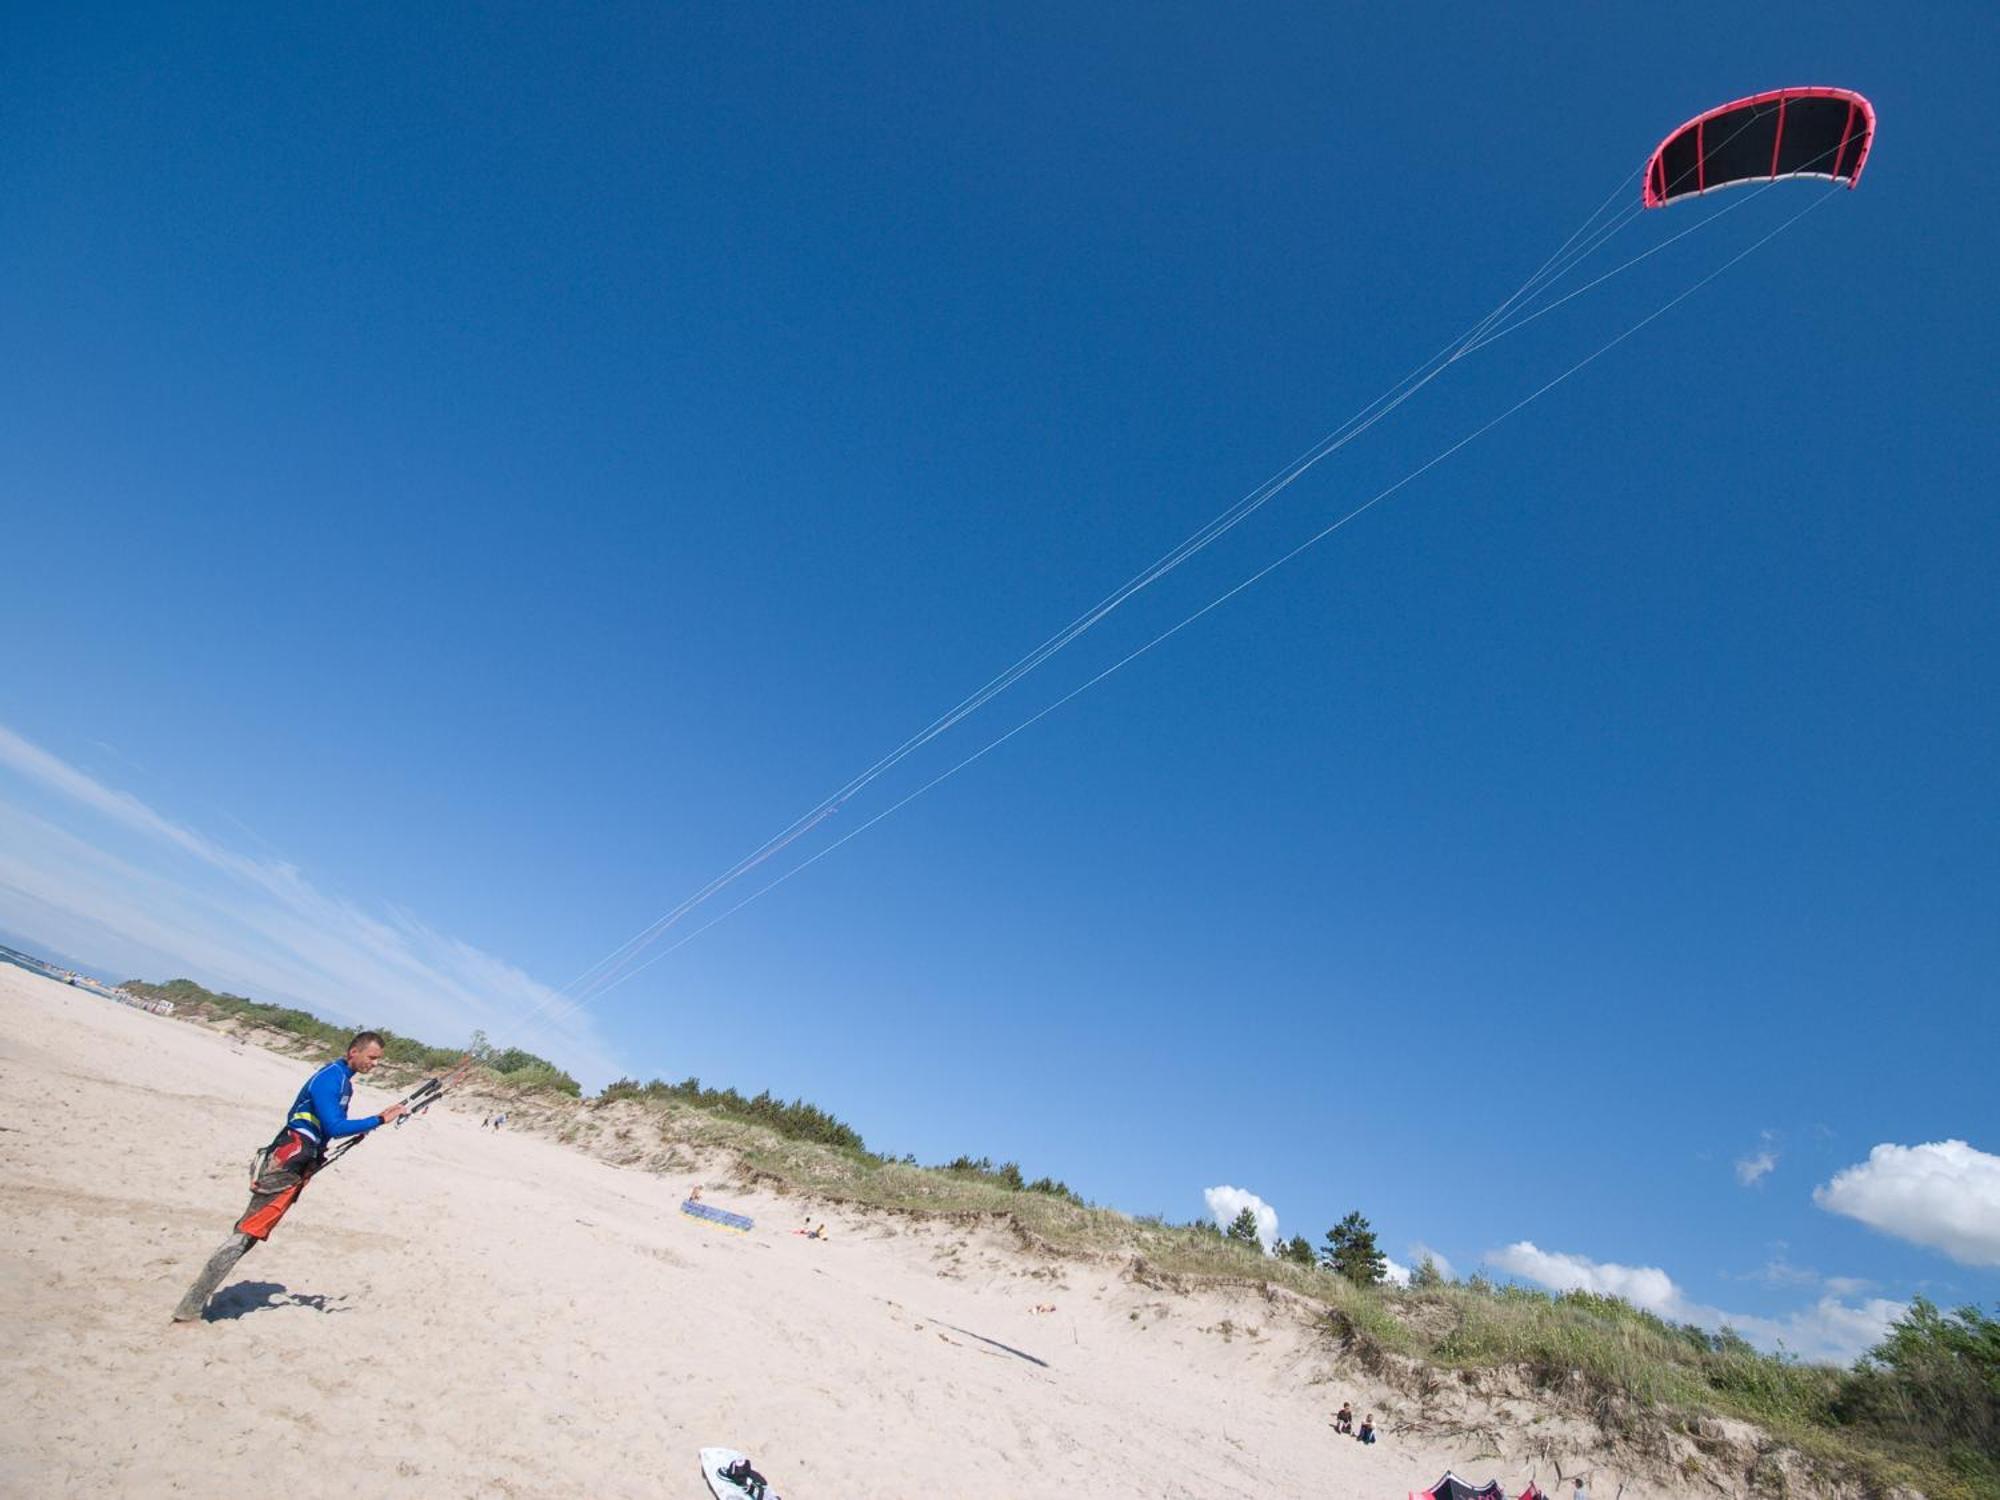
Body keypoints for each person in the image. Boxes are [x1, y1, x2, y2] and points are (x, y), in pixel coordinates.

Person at [172, 1031, 405, 1322]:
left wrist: (374, 1122)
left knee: (251, 1233)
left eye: (378, 1060)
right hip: (288, 1160)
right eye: (372, 1058)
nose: (375, 1064)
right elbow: (334, 1126)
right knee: (247, 1232)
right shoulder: (330, 1078)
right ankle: (190, 1306)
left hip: (300, 1161)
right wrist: (379, 1119)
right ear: (353, 1052)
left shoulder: (343, 1081)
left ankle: (192, 1304)